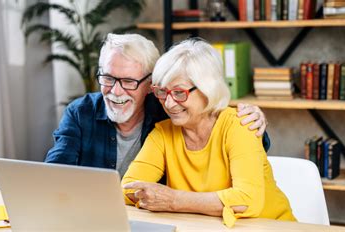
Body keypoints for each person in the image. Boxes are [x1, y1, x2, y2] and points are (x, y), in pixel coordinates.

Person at [121, 38, 295, 228]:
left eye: (179, 93)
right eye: (162, 92)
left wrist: (173, 200)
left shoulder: (240, 125)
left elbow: (247, 199)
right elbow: (127, 188)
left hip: (271, 227)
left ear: (208, 89)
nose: (169, 104)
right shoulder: (162, 133)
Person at [45, 33, 269, 177]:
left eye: (129, 82)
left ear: (151, 84)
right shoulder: (81, 112)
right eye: (108, 78)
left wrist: (252, 120)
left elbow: (224, 137)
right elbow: (54, 172)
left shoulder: (168, 110)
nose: (115, 91)